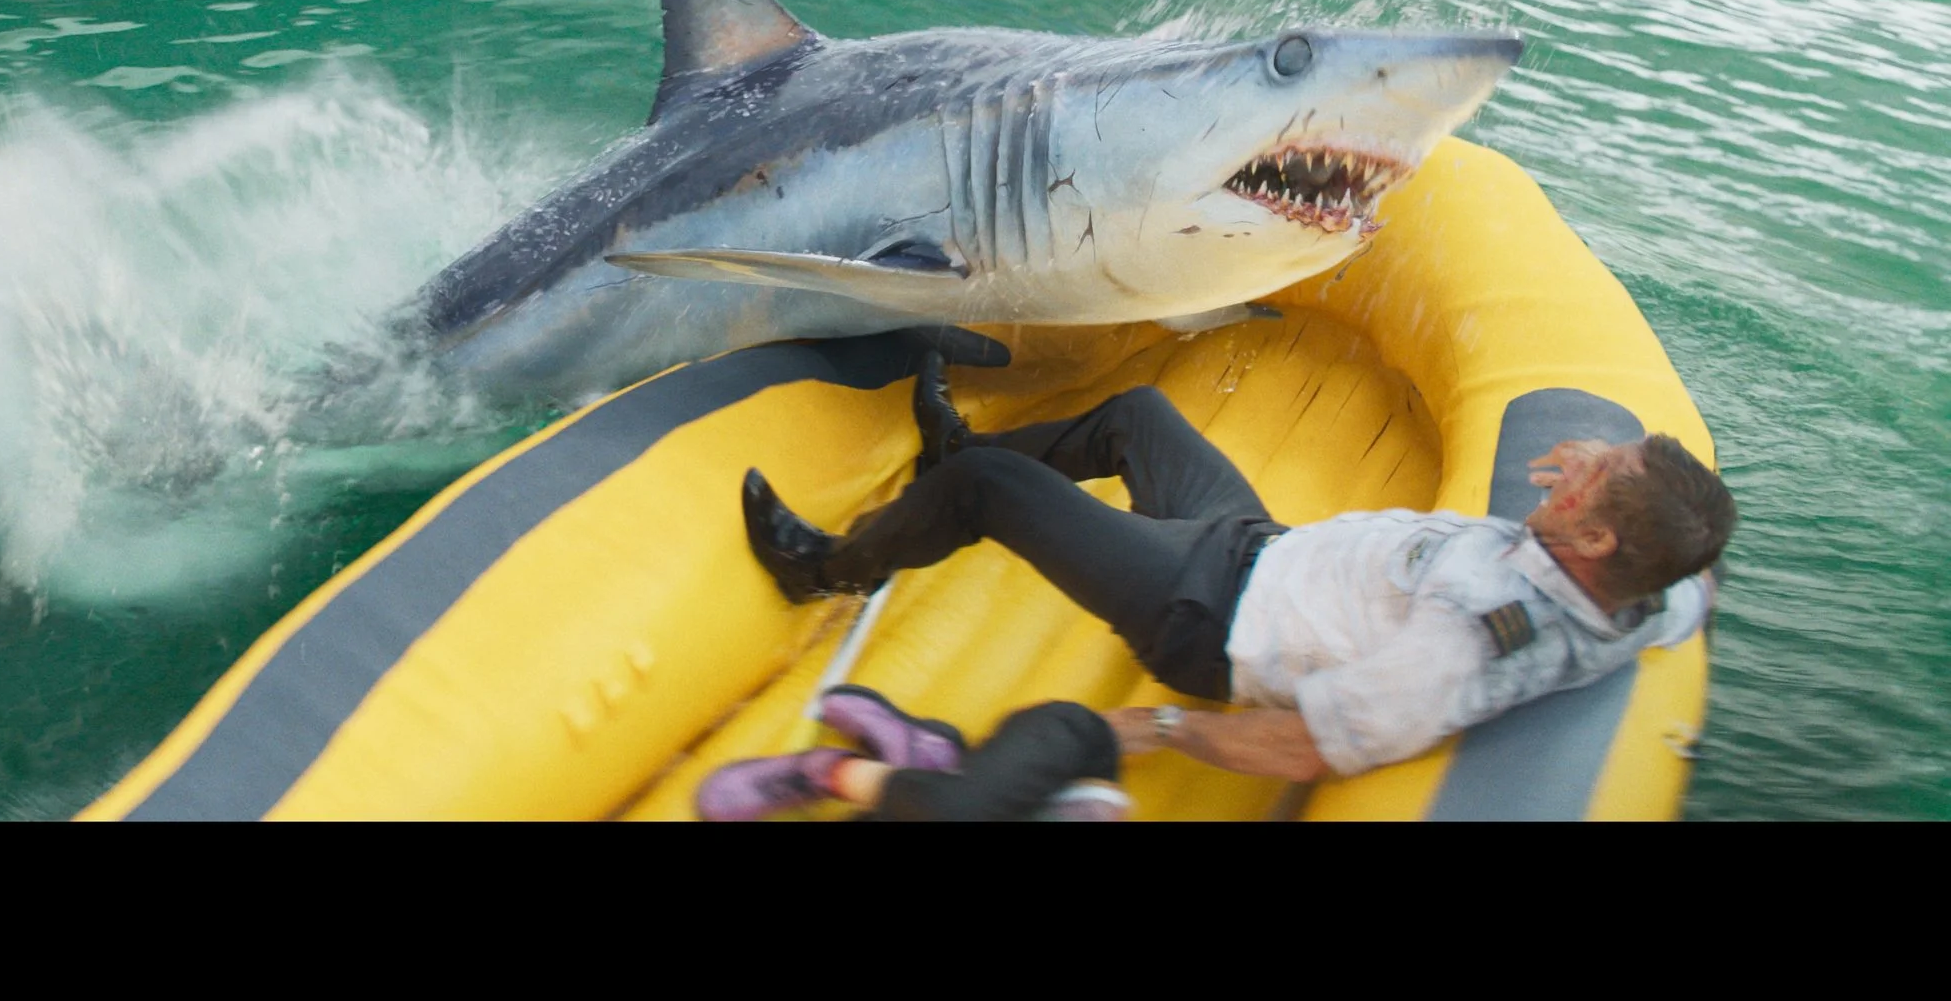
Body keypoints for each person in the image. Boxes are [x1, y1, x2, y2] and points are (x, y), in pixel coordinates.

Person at [714, 352, 1731, 803]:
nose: (1577, 462)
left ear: (1595, 540)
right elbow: (1695, 574)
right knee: (1138, 416)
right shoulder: (1653, 592)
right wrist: (1607, 479)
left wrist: (1155, 727)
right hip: (1264, 547)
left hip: (1209, 612)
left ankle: (823, 570)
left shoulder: (1472, 635)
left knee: (993, 491)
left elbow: (1311, 744)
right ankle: (948, 463)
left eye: (1596, 474)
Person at [697, 685, 1131, 822]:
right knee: (955, 810)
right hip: (1073, 761)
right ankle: (827, 771)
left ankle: (929, 759)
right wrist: (1163, 724)